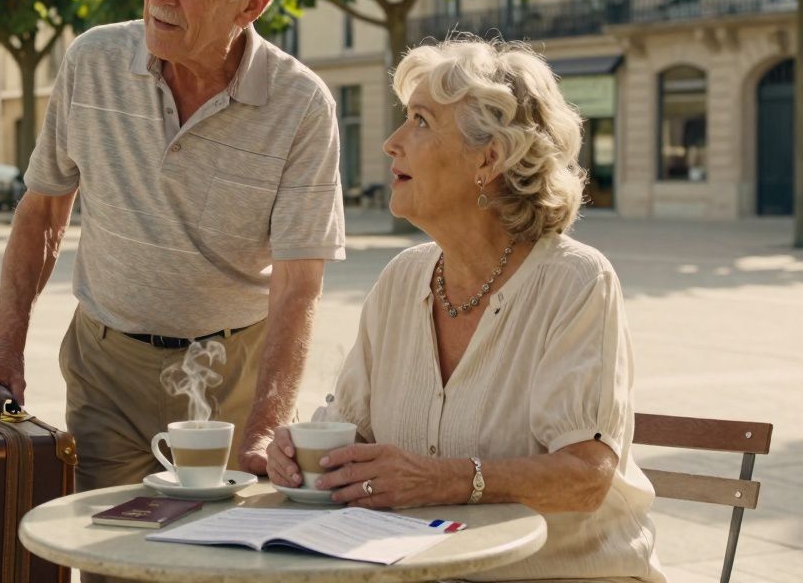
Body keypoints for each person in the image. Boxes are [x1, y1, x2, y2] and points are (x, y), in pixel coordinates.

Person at [0, 0, 346, 497]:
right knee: (106, 549)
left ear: (252, 3)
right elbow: (41, 214)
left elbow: (299, 284)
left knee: (218, 555)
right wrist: (4, 347)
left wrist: (264, 426)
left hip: (232, 375)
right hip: (106, 368)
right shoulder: (92, 61)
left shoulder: (300, 105)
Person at [264, 37, 664, 582]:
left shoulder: (575, 281)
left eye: (421, 122)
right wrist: (302, 452)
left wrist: (446, 479)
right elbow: (350, 435)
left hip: (563, 572)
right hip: (423, 567)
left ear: (489, 157)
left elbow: (584, 478)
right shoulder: (401, 280)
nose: (391, 143)